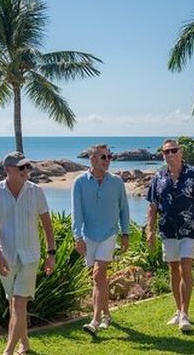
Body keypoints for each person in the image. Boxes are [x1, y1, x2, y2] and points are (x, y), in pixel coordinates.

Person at [0, 151, 56, 355]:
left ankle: (7, 351)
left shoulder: (36, 192)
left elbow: (47, 226)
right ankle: (24, 344)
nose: (27, 170)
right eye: (22, 167)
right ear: (9, 170)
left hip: (30, 256)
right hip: (6, 257)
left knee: (18, 303)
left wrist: (51, 254)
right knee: (15, 305)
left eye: (28, 166)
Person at [146, 139, 194, 332]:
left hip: (190, 229)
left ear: (180, 152)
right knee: (173, 270)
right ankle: (178, 309)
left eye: (173, 151)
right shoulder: (158, 177)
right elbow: (153, 206)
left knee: (185, 267)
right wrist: (150, 230)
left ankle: (184, 313)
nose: (170, 154)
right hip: (168, 231)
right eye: (166, 152)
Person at [72, 144, 130, 336]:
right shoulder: (79, 182)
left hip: (109, 233)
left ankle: (95, 321)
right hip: (89, 235)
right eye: (103, 157)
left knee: (98, 274)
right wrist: (77, 236)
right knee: (99, 279)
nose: (107, 160)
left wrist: (126, 234)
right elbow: (77, 212)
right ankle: (106, 314)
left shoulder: (117, 182)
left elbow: (124, 209)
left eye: (109, 157)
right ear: (92, 159)